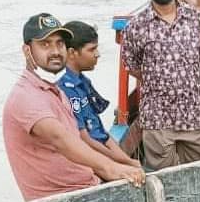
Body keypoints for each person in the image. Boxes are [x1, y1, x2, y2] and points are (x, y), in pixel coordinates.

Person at [2, 13, 144, 201]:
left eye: (59, 43)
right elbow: (62, 139)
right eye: (45, 44)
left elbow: (83, 135)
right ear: (27, 50)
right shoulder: (26, 97)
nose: (55, 51)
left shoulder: (56, 91)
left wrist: (118, 167)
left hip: (86, 186)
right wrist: (113, 168)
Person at [122, 0, 200, 170]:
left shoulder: (195, 18)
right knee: (163, 181)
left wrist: (181, 77)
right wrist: (160, 80)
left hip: (193, 114)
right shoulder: (136, 26)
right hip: (157, 119)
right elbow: (132, 65)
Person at [57, 20, 142, 169]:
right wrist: (124, 162)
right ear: (72, 53)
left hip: (104, 152)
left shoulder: (84, 83)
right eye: (92, 49)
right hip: (93, 161)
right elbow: (85, 139)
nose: (97, 54)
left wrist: (124, 160)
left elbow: (101, 132)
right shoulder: (67, 92)